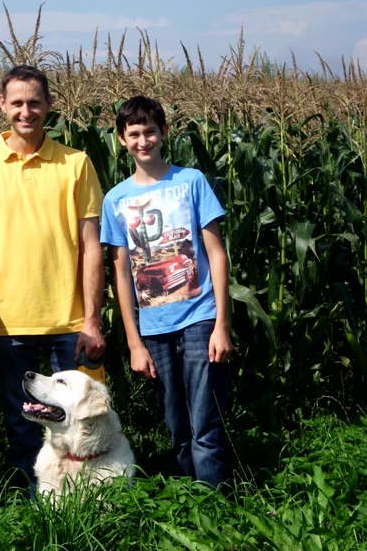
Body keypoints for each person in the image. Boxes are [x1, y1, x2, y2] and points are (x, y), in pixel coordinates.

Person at [0, 65, 106, 487]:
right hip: (7, 324)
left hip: (70, 323)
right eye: (17, 103)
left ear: (50, 105)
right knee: (22, 430)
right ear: (2, 105)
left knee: (85, 427)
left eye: (35, 102)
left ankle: (94, 508)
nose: (26, 111)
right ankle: (32, 517)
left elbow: (92, 245)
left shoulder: (76, 163)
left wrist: (92, 321)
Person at [100, 96, 232, 489]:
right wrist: (133, 342)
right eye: (135, 134)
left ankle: (216, 508)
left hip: (200, 317)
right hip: (154, 327)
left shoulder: (190, 181)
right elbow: (121, 272)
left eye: (151, 132)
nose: (144, 141)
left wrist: (221, 323)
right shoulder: (115, 200)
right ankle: (191, 500)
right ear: (121, 140)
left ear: (164, 133)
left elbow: (216, 252)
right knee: (176, 423)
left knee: (205, 422)